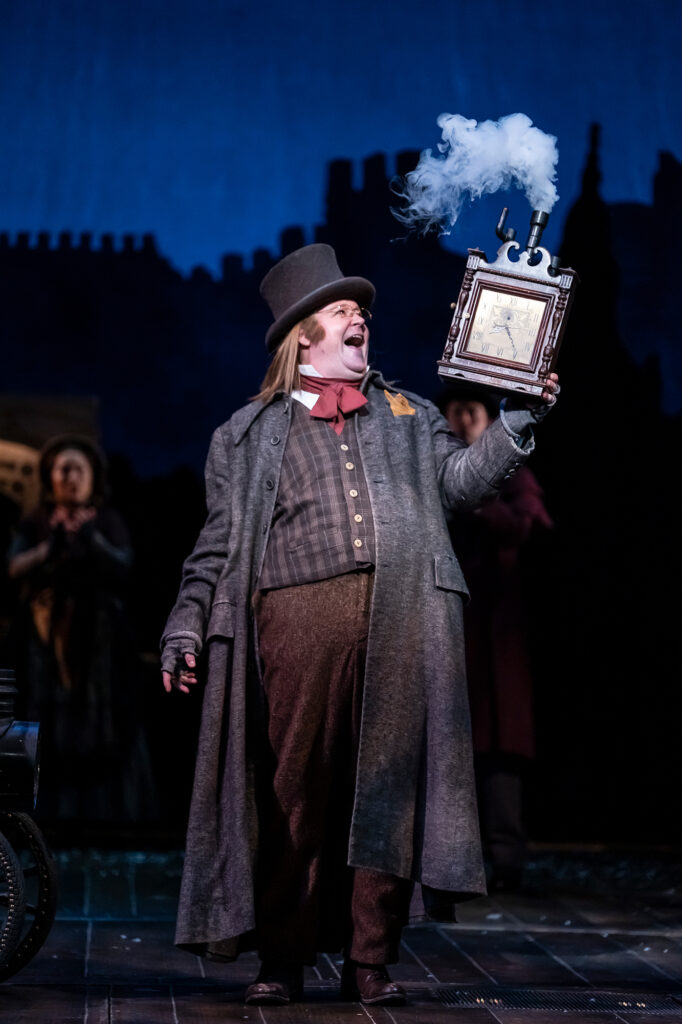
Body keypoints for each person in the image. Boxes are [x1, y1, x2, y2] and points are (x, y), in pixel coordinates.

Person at [160, 243, 560, 1006]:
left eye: (362, 312)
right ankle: (282, 955)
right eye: (345, 310)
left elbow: (461, 482)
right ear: (304, 333)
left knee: (384, 797)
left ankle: (369, 959)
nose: (361, 318)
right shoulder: (243, 436)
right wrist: (184, 627)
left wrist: (514, 421)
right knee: (294, 795)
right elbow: (212, 549)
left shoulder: (408, 417)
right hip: (293, 626)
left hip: (402, 620)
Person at [6, 434, 156, 830]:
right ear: (50, 476)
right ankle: (45, 819)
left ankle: (106, 818)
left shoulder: (106, 520)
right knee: (44, 718)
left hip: (100, 647)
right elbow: (12, 568)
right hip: (42, 644)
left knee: (101, 721)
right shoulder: (36, 521)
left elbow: (125, 565)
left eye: (78, 469)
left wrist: (91, 540)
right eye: (62, 469)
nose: (70, 477)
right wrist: (49, 547)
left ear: (92, 478)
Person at [437, 385, 554, 892]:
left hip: (496, 630)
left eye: (473, 412)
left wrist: (476, 502)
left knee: (500, 747)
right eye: (456, 412)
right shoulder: (438, 471)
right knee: (445, 744)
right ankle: (444, 861)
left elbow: (525, 527)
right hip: (449, 624)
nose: (464, 421)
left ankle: (506, 858)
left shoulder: (513, 474)